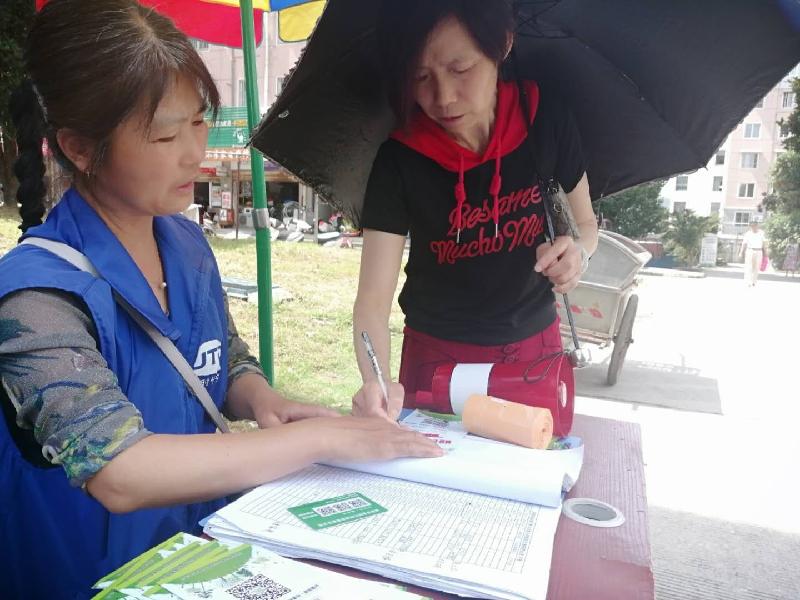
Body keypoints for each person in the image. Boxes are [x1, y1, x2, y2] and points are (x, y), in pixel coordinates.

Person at [0, 1, 441, 597]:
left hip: (201, 559)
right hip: (94, 579)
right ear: (80, 148)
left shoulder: (184, 243)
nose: (194, 152)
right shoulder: (35, 298)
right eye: (164, 134)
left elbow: (222, 356)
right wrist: (321, 438)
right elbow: (119, 471)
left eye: (200, 121)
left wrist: (263, 399)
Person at [351, 0, 598, 419]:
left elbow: (586, 226)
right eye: (420, 77)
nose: (443, 98)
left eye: (460, 68)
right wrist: (376, 382)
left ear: (502, 44)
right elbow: (373, 301)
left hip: (533, 351)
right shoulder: (401, 158)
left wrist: (578, 254)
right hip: (437, 358)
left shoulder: (545, 119)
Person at [739, 220, 768, 286]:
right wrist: (741, 252)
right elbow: (744, 244)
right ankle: (748, 281)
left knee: (757, 267)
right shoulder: (748, 234)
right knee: (749, 266)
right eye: (752, 226)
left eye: (754, 226)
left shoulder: (761, 233)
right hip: (750, 250)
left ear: (757, 226)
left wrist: (766, 252)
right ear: (750, 227)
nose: (753, 227)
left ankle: (754, 281)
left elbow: (764, 243)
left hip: (759, 251)